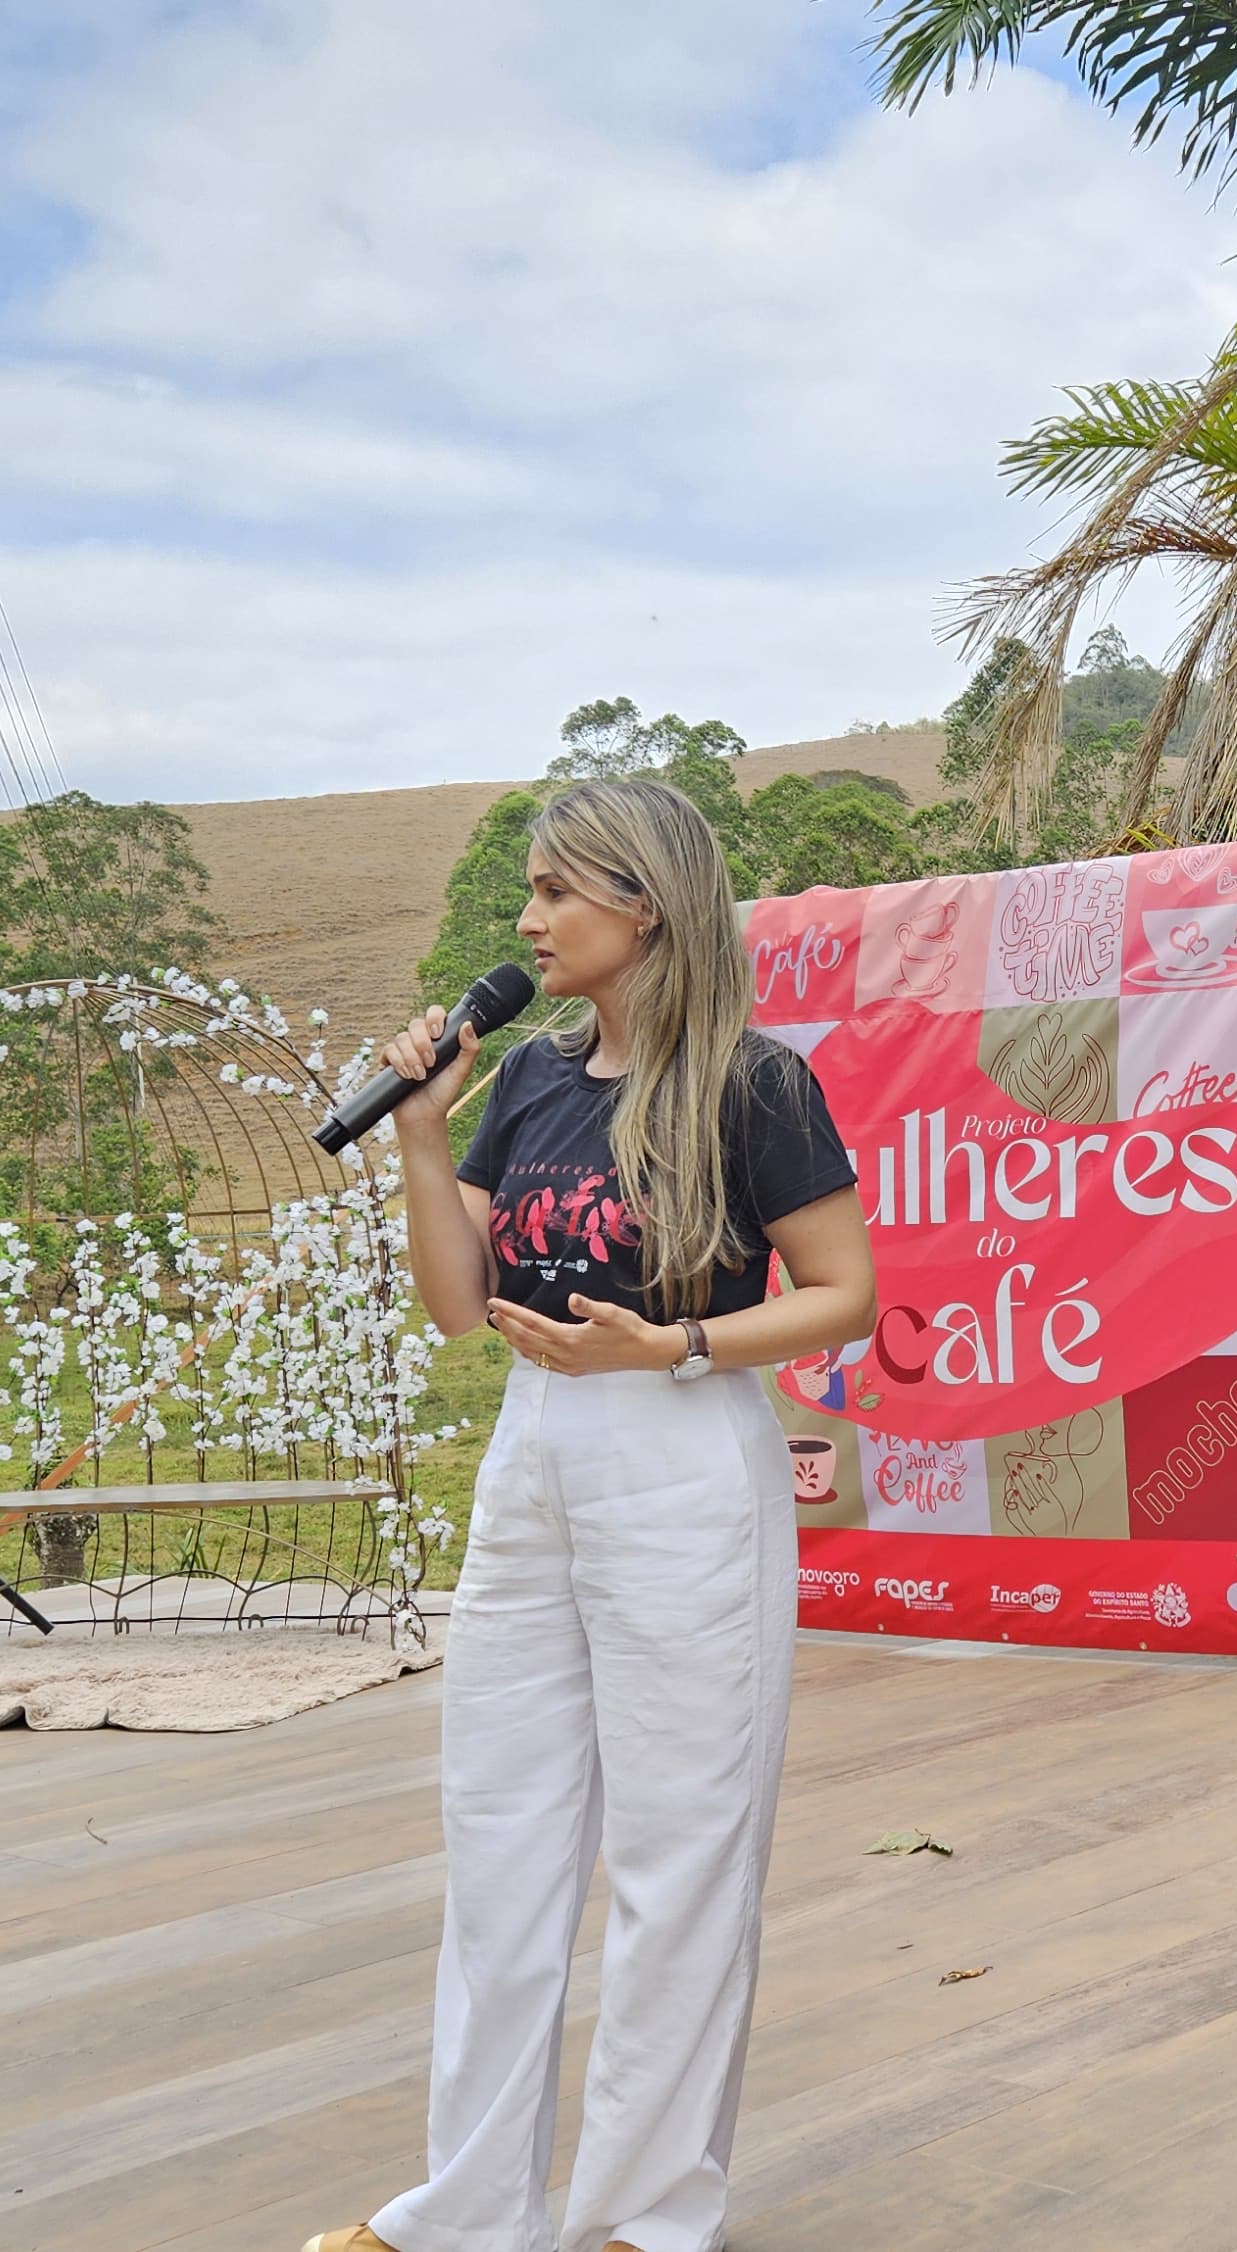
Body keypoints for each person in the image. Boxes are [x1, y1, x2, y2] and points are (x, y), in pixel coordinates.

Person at [306, 777, 876, 2252]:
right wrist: (421, 1139)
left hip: (683, 1452)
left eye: (558, 890)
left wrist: (672, 1345)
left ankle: (645, 2218)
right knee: (501, 1836)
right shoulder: (530, 1081)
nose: (529, 918)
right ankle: (463, 2211)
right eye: (533, 889)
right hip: (535, 1453)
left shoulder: (754, 1084)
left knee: (683, 1850)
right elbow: (458, 1306)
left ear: (648, 905)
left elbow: (845, 1294)